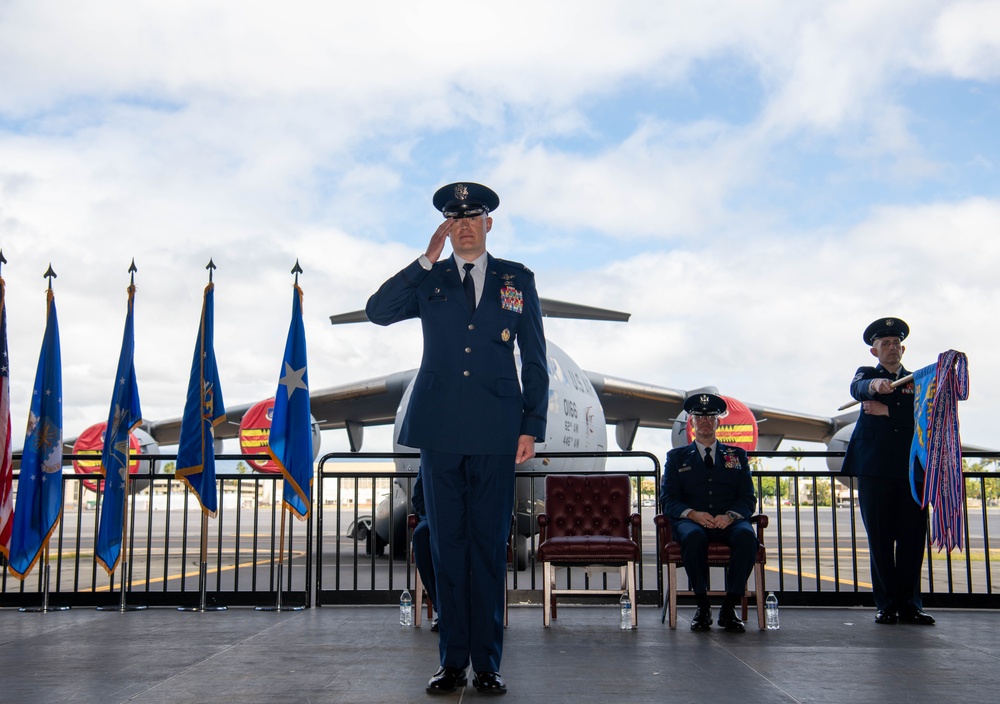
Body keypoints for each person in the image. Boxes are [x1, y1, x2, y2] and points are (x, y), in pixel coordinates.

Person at [366, 182, 548, 695]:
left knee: (489, 550)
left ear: (488, 224)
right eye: (455, 218)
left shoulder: (518, 279)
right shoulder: (432, 279)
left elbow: (534, 359)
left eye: (474, 216)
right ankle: (451, 663)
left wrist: (531, 426)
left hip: (495, 431)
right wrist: (425, 260)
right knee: (446, 548)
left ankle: (487, 664)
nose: (465, 224)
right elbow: (378, 310)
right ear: (447, 227)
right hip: (440, 431)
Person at [841, 317, 934, 625]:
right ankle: (886, 605)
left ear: (903, 348)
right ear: (874, 351)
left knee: (911, 541)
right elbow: (858, 388)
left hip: (911, 473)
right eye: (885, 344)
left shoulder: (917, 381)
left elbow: (925, 419)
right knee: (880, 541)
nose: (891, 348)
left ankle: (911, 605)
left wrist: (888, 410)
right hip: (875, 471)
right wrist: (874, 387)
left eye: (896, 343)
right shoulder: (867, 374)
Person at [660, 393, 758, 633]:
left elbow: (747, 498)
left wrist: (731, 516)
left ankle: (729, 607)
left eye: (710, 417)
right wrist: (693, 514)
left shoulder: (736, 456)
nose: (705, 421)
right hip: (693, 521)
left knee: (747, 538)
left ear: (718, 423)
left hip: (729, 521)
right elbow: (668, 500)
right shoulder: (676, 457)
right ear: (691, 423)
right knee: (693, 538)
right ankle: (702, 606)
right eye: (699, 417)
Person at [411, 468, 438, 631]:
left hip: (470, 518)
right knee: (422, 535)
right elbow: (418, 497)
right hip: (435, 516)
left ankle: (479, 612)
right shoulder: (429, 459)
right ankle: (443, 608)